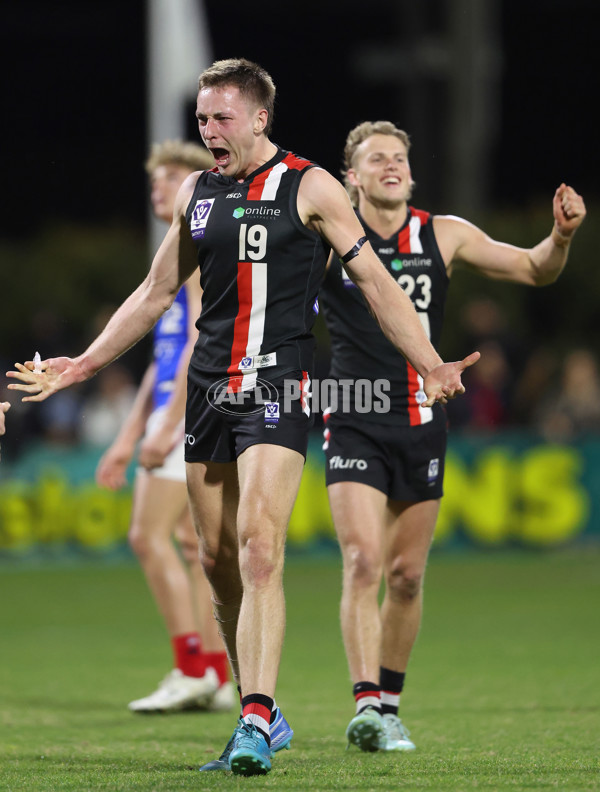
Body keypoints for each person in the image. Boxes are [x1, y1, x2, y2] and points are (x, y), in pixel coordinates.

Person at [7, 60, 478, 776]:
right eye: (201, 119)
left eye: (221, 117)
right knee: (217, 558)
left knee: (260, 546)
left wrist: (429, 361)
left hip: (279, 385)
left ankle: (254, 716)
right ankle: (267, 710)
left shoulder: (312, 185)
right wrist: (83, 365)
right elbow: (155, 290)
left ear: (260, 118)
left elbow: (377, 282)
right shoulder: (198, 192)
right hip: (208, 388)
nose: (208, 131)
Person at [319, 120, 586, 753]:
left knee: (407, 576)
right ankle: (364, 707)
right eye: (376, 158)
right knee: (362, 561)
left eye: (400, 157)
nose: (392, 165)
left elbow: (533, 270)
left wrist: (561, 237)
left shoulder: (443, 233)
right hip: (352, 412)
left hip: (422, 419)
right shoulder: (327, 238)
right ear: (350, 177)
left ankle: (388, 706)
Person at [95, 140, 233, 713]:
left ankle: (193, 667)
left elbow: (201, 342)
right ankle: (218, 674)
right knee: (189, 542)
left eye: (173, 176)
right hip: (180, 406)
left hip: (192, 407)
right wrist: (130, 435)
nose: (160, 187)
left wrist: (165, 427)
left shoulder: (203, 242)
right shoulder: (177, 249)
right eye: (156, 179)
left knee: (147, 536)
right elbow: (162, 358)